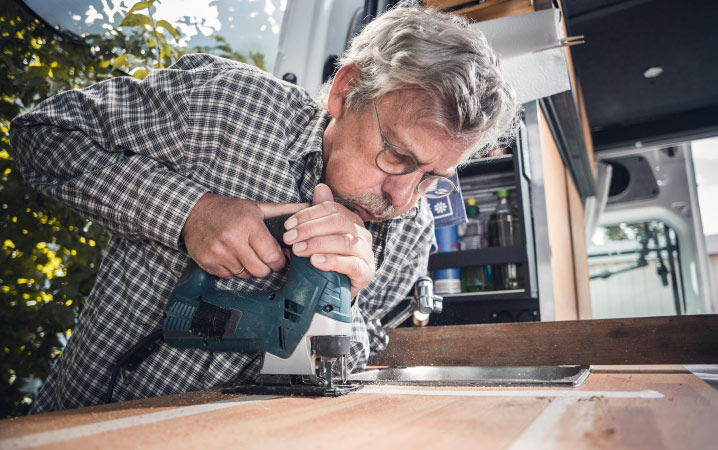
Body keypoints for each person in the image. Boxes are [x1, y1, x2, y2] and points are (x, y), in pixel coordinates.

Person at [10, 3, 518, 413]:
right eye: (398, 156)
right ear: (346, 90)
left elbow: (337, 377)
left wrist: (346, 307)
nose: (402, 199)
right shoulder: (229, 104)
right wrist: (188, 211)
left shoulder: (412, 234)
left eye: (431, 177)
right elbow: (44, 135)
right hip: (75, 419)